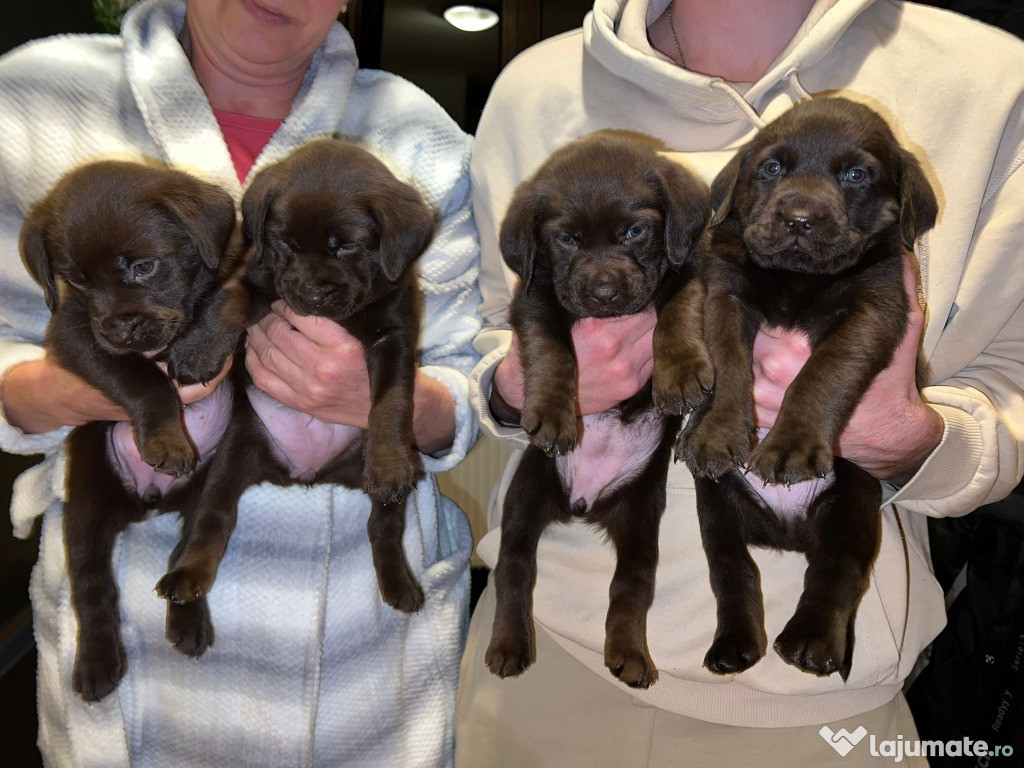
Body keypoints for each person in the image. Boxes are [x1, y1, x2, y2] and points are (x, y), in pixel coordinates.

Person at [458, 0, 1024, 765]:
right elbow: (491, 328)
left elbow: (1011, 383)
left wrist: (907, 437)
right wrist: (517, 386)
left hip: (823, 705)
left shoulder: (993, 80)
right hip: (545, 658)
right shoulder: (536, 86)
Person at [0, 0, 481, 765]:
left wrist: (387, 403)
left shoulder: (420, 133)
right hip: (137, 659)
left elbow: (470, 377)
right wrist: (78, 391)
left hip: (357, 660)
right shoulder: (33, 97)